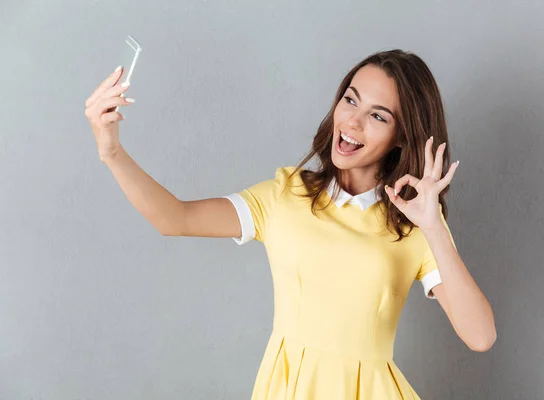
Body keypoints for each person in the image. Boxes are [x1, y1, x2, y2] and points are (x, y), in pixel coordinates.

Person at [85, 49, 496, 399]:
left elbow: (480, 337)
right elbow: (174, 217)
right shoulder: (285, 194)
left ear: (402, 137)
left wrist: (434, 227)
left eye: (378, 116)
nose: (352, 123)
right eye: (350, 101)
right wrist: (112, 152)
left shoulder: (415, 223)